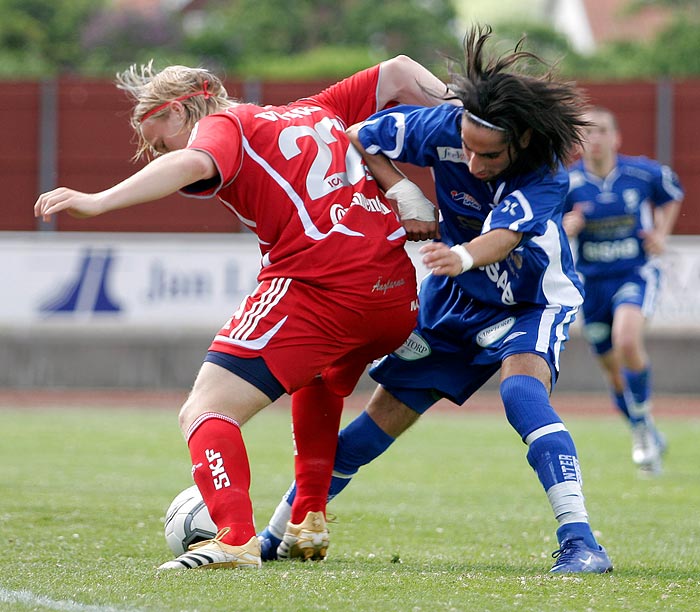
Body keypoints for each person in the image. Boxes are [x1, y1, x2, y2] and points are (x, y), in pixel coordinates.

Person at [34, 54, 454, 570]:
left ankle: (233, 538)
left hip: (322, 285)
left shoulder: (225, 122)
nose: (157, 147)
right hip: (393, 296)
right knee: (319, 377)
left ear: (186, 106)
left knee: (206, 409)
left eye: (157, 130)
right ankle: (309, 515)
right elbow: (399, 70)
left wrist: (97, 201)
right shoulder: (316, 108)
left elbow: (190, 163)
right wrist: (462, 116)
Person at [258, 24, 613, 574]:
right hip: (453, 303)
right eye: (466, 148)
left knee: (522, 394)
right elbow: (361, 136)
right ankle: (275, 534)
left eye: (488, 155)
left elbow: (504, 239)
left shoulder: (544, 175)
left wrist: (464, 255)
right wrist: (404, 191)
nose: (472, 163)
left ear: (519, 141)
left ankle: (581, 542)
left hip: (530, 302)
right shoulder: (443, 124)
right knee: (365, 436)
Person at [562, 106, 683, 476]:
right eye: (587, 132)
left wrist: (661, 234)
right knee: (614, 373)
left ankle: (644, 427)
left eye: (601, 130)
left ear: (616, 138)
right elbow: (550, 227)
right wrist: (567, 226)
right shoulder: (567, 183)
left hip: (634, 272)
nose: (594, 138)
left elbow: (672, 193)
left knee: (627, 340)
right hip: (591, 284)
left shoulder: (641, 173)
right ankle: (642, 430)